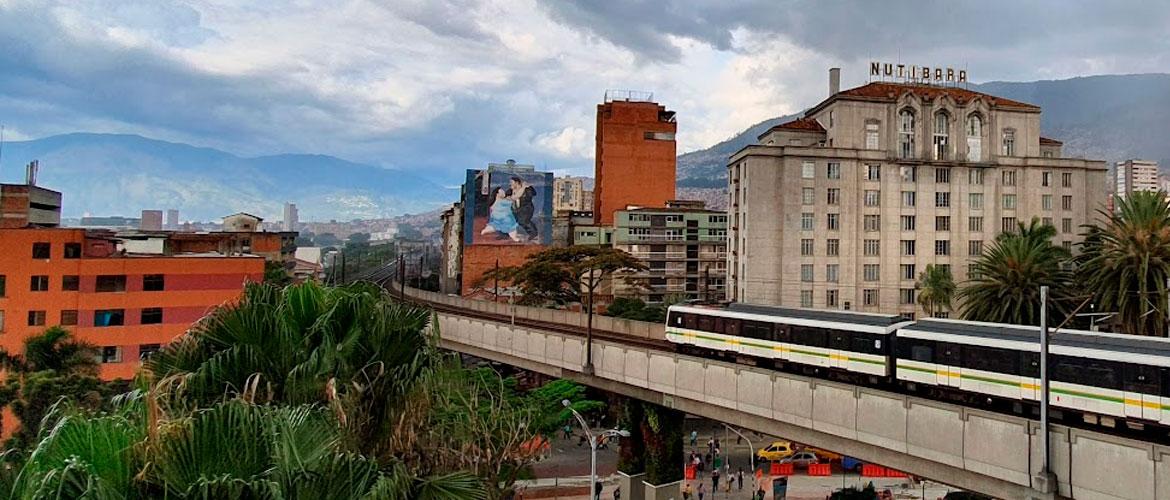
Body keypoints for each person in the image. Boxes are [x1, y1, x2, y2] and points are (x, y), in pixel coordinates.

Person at [509, 176, 539, 241]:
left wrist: (529, 187)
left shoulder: (527, 189)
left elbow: (533, 193)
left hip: (526, 209)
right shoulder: (511, 190)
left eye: (512, 182)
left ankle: (534, 233)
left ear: (517, 183)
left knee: (524, 221)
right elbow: (511, 197)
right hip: (517, 209)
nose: (510, 184)